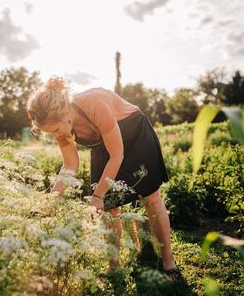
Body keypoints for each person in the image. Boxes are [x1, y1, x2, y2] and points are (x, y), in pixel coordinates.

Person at [26, 76, 182, 281]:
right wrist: (51, 200)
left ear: (65, 114)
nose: (57, 135)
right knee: (109, 209)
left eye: (55, 130)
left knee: (151, 198)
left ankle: (168, 262)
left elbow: (117, 154)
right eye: (50, 133)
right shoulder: (59, 123)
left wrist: (97, 196)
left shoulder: (95, 103)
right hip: (103, 145)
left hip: (134, 133)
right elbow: (70, 165)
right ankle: (113, 267)